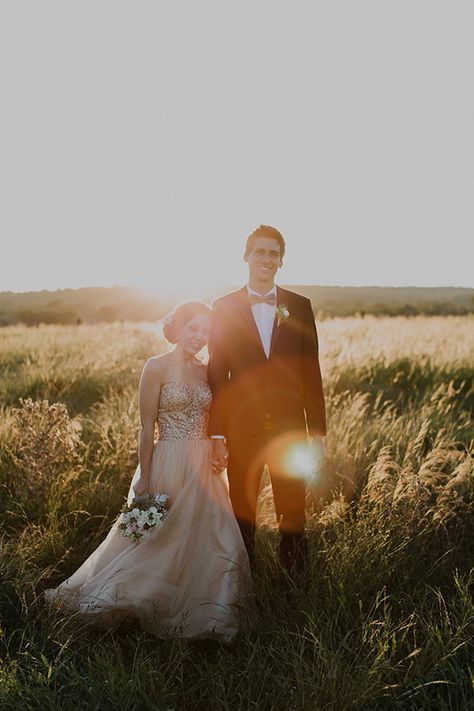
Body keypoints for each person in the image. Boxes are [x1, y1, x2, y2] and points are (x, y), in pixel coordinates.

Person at [45, 301, 252, 642]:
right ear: (179, 328)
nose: (199, 337)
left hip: (203, 465)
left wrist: (218, 445)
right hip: (168, 458)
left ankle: (208, 608)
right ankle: (140, 599)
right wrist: (146, 474)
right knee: (160, 537)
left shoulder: (207, 371)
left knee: (212, 537)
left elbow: (218, 417)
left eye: (205, 331)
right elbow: (146, 427)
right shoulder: (155, 367)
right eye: (193, 329)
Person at [208, 225, 326, 584]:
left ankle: (294, 588)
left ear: (281, 261)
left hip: (290, 432)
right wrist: (216, 434)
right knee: (242, 516)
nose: (266, 259)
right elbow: (217, 375)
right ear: (246, 257)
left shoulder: (299, 306)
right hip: (241, 431)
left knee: (294, 516)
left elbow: (310, 372)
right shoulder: (223, 307)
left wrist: (318, 434)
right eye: (260, 252)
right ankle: (244, 590)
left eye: (273, 253)